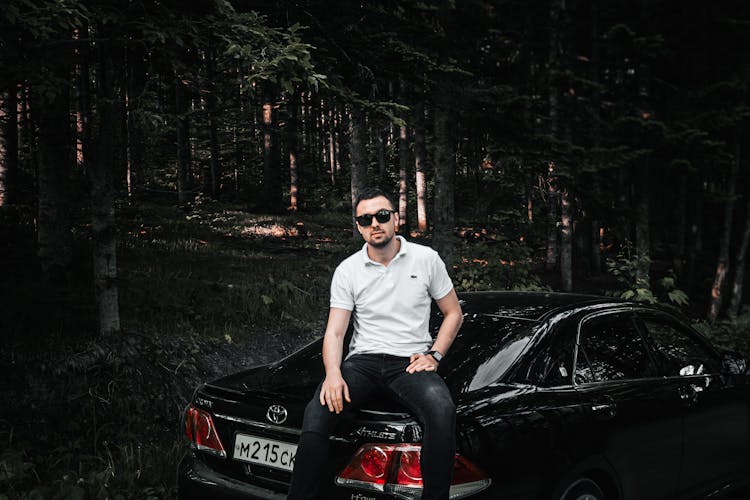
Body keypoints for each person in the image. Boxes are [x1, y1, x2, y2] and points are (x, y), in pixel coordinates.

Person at [287, 186, 464, 500]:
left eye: (382, 215)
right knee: (317, 411)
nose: (375, 223)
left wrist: (434, 355)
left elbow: (453, 313)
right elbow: (336, 332)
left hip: (409, 363)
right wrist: (333, 373)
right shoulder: (348, 270)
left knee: (441, 410)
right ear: (358, 226)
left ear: (395, 218)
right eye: (365, 219)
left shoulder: (426, 259)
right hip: (362, 363)